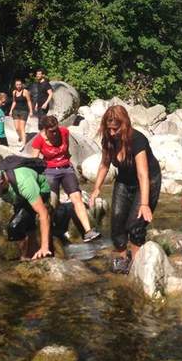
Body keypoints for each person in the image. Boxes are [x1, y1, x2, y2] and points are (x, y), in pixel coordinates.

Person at [89, 105, 161, 273]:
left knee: (135, 224)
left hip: (148, 180)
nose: (113, 133)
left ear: (125, 124)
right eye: (109, 129)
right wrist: (96, 188)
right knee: (117, 219)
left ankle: (136, 265)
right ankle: (122, 260)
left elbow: (143, 174)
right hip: (124, 180)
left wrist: (144, 204)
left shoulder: (137, 139)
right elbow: (104, 164)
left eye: (116, 129)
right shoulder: (108, 140)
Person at [31, 115, 102, 243]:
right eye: (52, 131)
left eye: (56, 129)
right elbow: (34, 161)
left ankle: (88, 231)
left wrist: (68, 162)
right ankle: (49, 232)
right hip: (50, 171)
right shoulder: (38, 140)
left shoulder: (64, 132)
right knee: (53, 202)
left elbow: (67, 150)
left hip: (66, 169)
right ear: (45, 130)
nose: (55, 133)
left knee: (77, 198)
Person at [10, 79, 34, 145]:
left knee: (22, 128)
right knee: (17, 128)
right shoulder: (14, 92)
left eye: (20, 84)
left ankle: (24, 143)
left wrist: (31, 111)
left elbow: (29, 101)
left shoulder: (25, 91)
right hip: (15, 111)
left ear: (22, 85)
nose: (19, 86)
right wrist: (10, 111)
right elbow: (14, 102)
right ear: (15, 85)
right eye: (17, 85)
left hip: (24, 111)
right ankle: (21, 137)